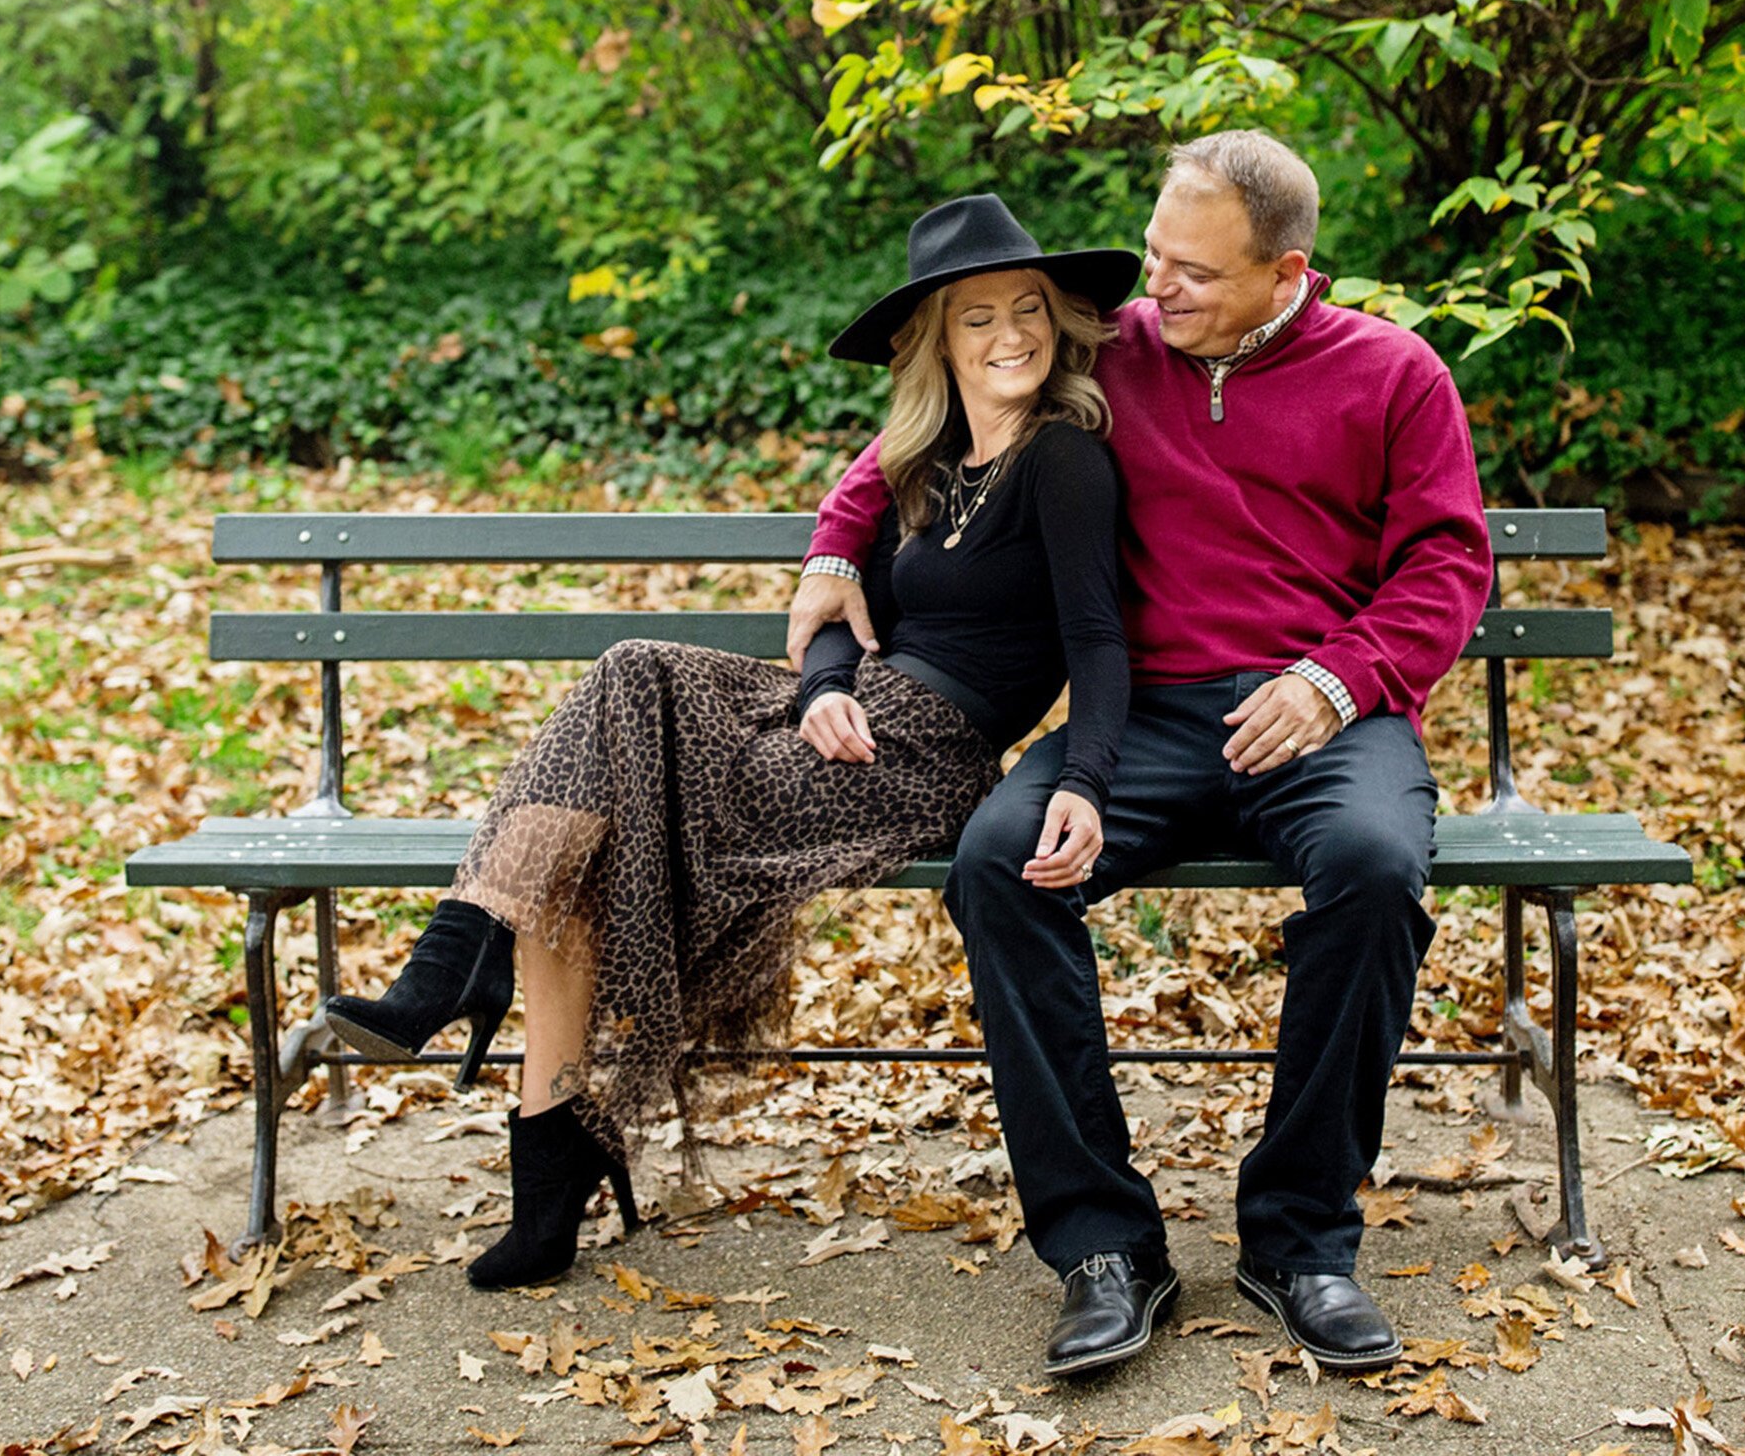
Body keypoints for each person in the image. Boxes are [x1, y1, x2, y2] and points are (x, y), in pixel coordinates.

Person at [320, 195, 1139, 1293]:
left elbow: (1095, 636)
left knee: (595, 824)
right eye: (976, 316)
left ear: (1060, 323)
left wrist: (1084, 777)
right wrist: (818, 689)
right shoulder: (927, 463)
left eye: (1027, 310)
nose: (1008, 335)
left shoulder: (1063, 463)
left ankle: (476, 1012)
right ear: (937, 342)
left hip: (928, 754)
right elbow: (853, 624)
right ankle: (506, 1063)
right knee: (626, 681)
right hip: (854, 721)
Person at [789, 132, 1493, 1377]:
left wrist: (1335, 680)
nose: (1154, 292)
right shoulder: (1120, 345)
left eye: (1193, 274)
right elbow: (932, 423)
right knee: (999, 858)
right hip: (1150, 716)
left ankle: (1298, 1241)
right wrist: (837, 546)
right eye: (1154, 257)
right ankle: (1103, 1243)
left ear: (1286, 273)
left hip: (1329, 716)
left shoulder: (1392, 371)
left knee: (1378, 868)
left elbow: (1446, 562)